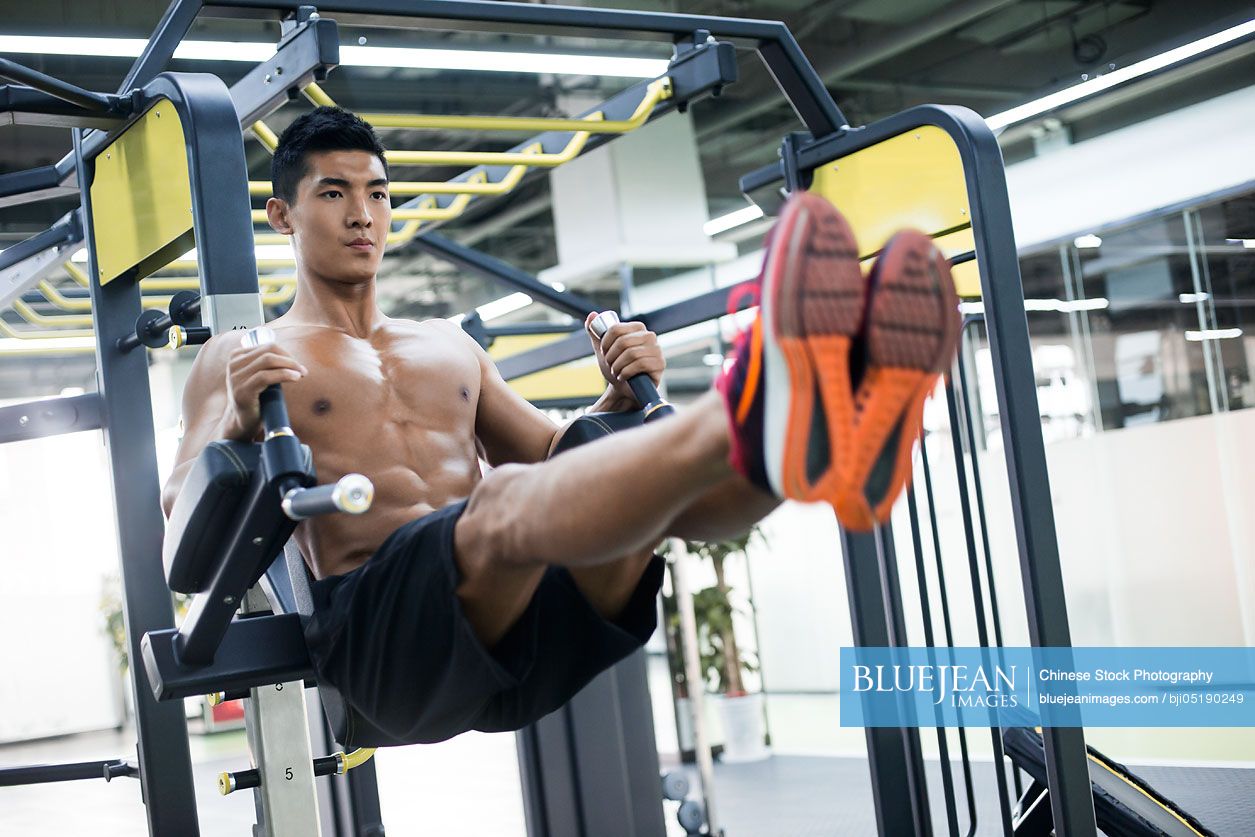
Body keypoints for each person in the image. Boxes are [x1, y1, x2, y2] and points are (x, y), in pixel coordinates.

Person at [162, 107, 959, 747]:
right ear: (281, 215)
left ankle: (814, 446)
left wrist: (616, 400)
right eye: (333, 193)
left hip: (519, 632)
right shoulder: (247, 355)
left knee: (614, 464)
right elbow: (179, 543)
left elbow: (556, 452)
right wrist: (234, 418)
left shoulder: (447, 344)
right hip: (384, 643)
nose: (362, 214)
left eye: (376, 193)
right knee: (507, 500)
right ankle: (757, 401)